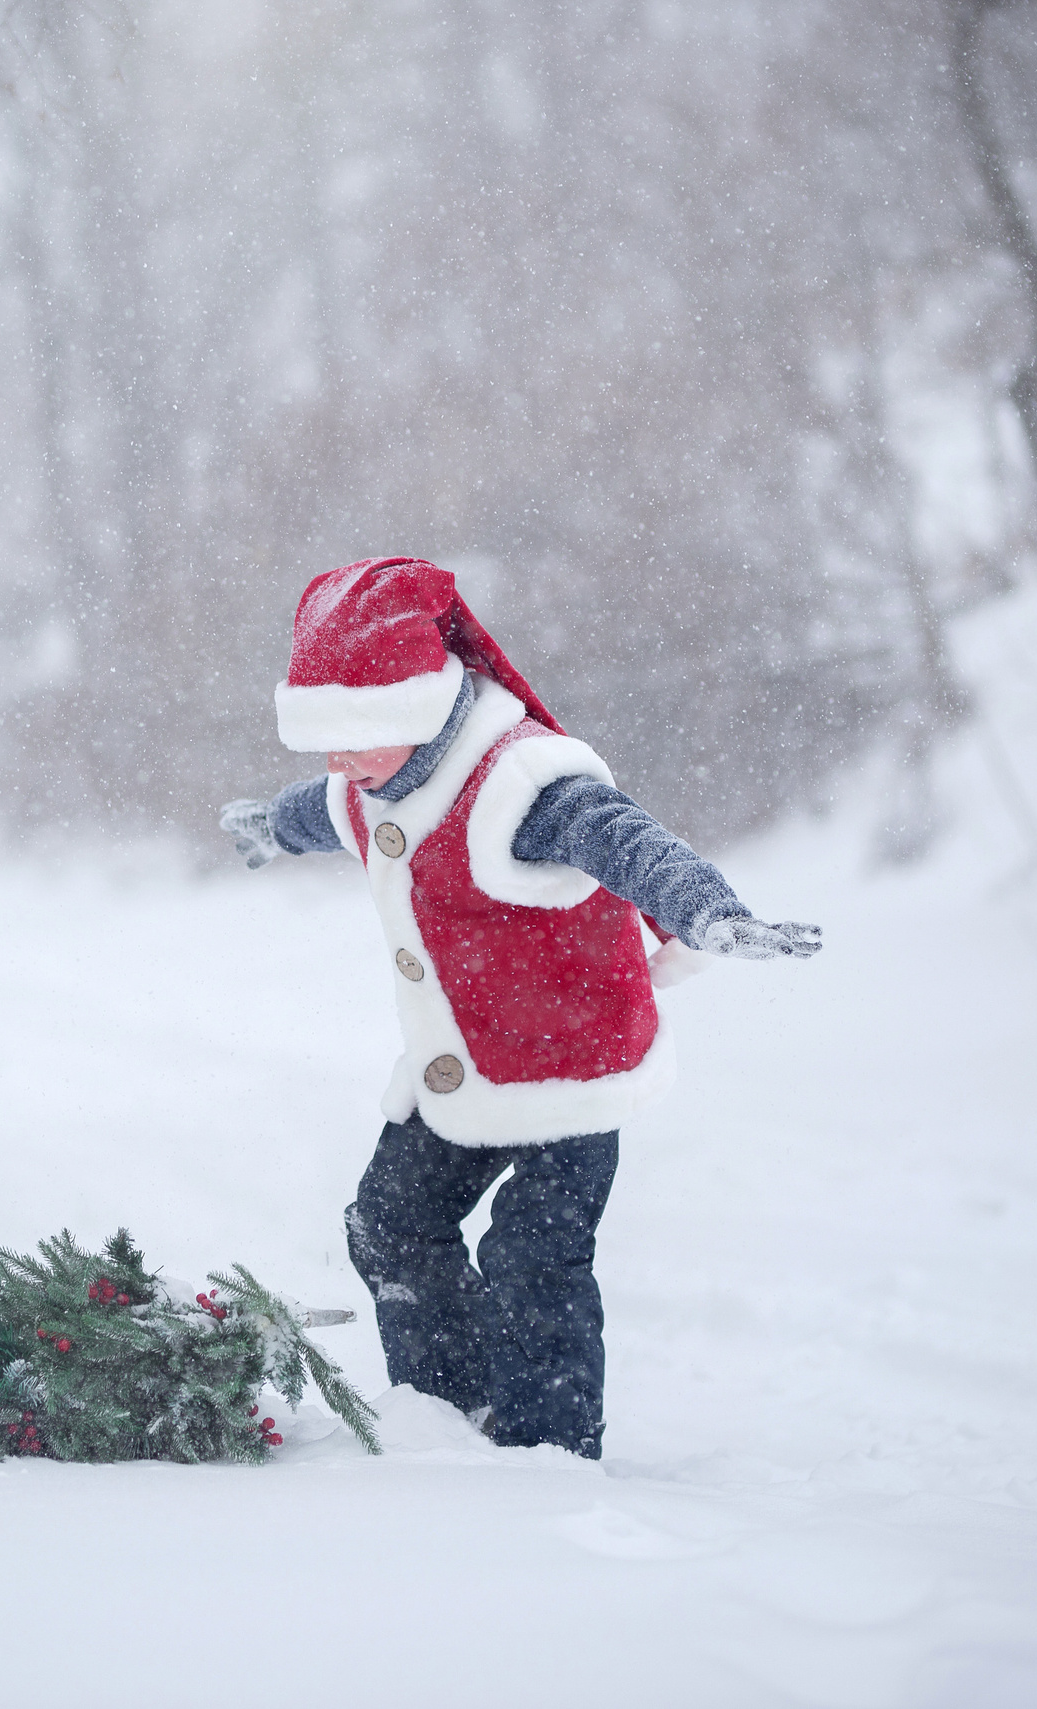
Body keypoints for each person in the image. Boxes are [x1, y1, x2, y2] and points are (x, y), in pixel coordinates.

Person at [219, 557, 821, 1460]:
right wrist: (273, 824)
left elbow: (622, 837)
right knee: (389, 1222)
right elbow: (328, 807)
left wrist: (706, 910)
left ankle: (549, 1452)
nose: (341, 761)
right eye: (326, 740)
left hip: (574, 1071)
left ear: (419, 709)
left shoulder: (522, 786)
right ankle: (446, 1418)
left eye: (358, 735)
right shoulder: (372, 782)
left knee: (533, 1260)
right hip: (467, 1065)